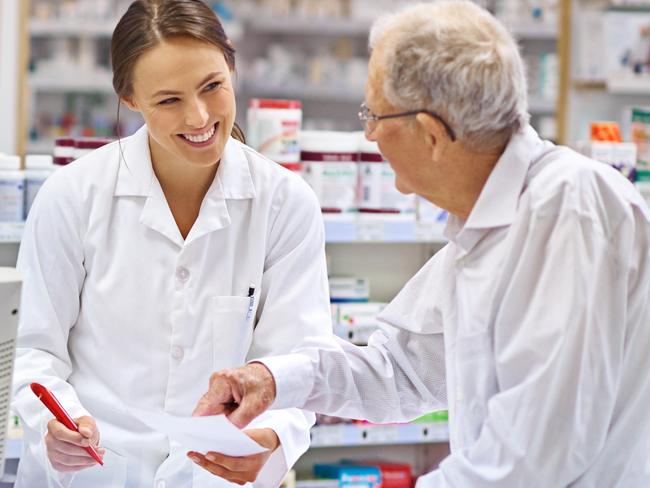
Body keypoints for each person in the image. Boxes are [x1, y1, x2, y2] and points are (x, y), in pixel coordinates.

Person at [193, 1, 650, 486]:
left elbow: (530, 460)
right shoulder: (487, 220)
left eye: (374, 114)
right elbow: (401, 370)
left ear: (431, 134)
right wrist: (275, 378)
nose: (368, 135)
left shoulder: (567, 212)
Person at [11, 1, 332, 486]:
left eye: (212, 87)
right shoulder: (73, 196)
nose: (199, 116)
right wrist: (54, 426)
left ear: (233, 69)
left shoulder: (285, 203)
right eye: (169, 100)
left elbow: (299, 361)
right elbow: (32, 347)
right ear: (131, 98)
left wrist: (272, 437)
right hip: (94, 472)